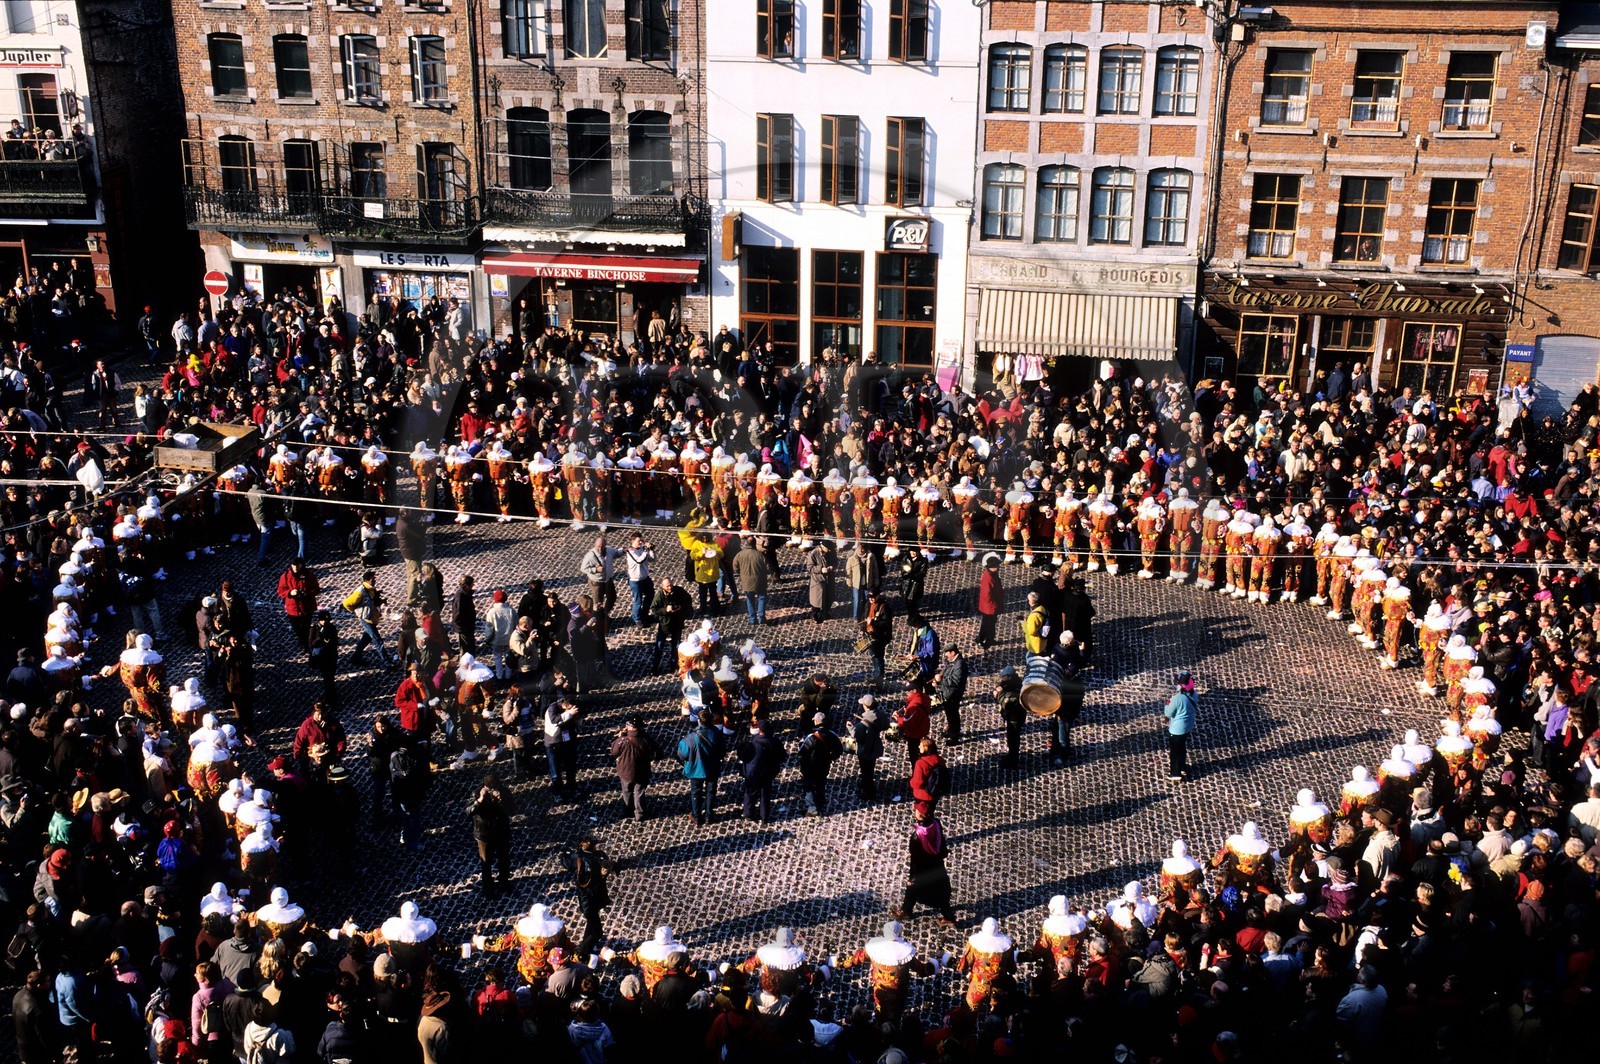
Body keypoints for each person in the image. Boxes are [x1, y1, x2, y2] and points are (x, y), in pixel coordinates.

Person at [894, 806, 955, 925]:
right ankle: (906, 910)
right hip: (937, 865)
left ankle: (907, 911)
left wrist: (912, 878)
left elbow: (915, 860)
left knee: (914, 888)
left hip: (923, 871)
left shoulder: (916, 837)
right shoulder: (936, 823)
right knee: (940, 893)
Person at [562, 837, 611, 957]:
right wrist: (603, 877)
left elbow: (565, 860)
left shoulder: (575, 858)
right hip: (590, 902)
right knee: (597, 932)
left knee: (591, 925)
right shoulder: (592, 865)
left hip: (584, 900)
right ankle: (582, 953)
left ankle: (585, 946)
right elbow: (593, 888)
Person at [677, 709, 726, 826]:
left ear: (699, 721)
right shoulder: (717, 734)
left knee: (696, 792)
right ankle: (709, 816)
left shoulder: (690, 738)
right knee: (711, 792)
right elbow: (722, 751)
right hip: (713, 767)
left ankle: (697, 816)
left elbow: (681, 754)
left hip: (696, 769)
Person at [736, 717, 785, 823]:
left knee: (750, 792)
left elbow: (744, 757)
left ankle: (748, 813)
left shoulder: (753, 743)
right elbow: (782, 756)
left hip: (753, 773)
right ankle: (764, 816)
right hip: (768, 773)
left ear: (759, 730)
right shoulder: (776, 742)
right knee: (765, 794)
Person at [472, 773, 513, 898]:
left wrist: (502, 800)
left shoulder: (504, 792)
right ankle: (488, 889)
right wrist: (479, 800)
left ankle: (504, 882)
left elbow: (512, 809)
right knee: (486, 863)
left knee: (504, 860)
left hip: (501, 832)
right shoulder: (476, 793)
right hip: (484, 835)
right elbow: (469, 811)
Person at [797, 712, 843, 816]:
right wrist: (831, 758)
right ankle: (820, 803)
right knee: (821, 784)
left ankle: (812, 809)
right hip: (824, 765)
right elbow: (839, 750)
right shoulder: (832, 735)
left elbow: (802, 751)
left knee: (809, 786)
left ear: (816, 721)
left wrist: (800, 742)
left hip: (810, 766)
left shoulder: (811, 737)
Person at [648, 576, 693, 675]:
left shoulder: (679, 591)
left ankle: (674, 666)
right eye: (668, 586)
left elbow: (688, 600)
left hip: (677, 623)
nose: (670, 588)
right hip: (665, 625)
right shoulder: (660, 596)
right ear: (663, 587)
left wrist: (681, 607)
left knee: (676, 647)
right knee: (659, 647)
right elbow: (654, 609)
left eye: (671, 585)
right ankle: (655, 668)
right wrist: (666, 610)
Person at [275, 558, 319, 652]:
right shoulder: (286, 576)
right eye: (293, 565)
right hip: (293, 608)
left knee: (306, 627)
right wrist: (290, 593)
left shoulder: (308, 575)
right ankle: (304, 642)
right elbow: (280, 590)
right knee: (297, 629)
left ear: (301, 565)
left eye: (297, 565)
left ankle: (306, 645)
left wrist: (307, 593)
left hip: (306, 607)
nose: (295, 567)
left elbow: (316, 589)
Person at [1162, 669, 1198, 781]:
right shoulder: (1194, 695)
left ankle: (1175, 773)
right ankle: (1183, 767)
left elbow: (1168, 713)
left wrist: (1167, 704)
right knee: (1182, 747)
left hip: (1177, 729)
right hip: (1188, 726)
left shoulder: (1177, 699)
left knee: (1175, 751)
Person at [543, 693, 580, 800]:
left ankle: (571, 787)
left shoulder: (569, 709)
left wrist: (576, 717)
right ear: (564, 705)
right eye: (569, 708)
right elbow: (554, 719)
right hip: (553, 743)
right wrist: (569, 713)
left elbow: (576, 724)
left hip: (567, 741)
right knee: (555, 770)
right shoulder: (552, 708)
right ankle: (557, 792)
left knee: (570, 767)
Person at [848, 695, 886, 800]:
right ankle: (867, 784)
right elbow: (885, 725)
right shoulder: (880, 714)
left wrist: (850, 727)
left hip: (865, 749)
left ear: (866, 706)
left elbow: (857, 736)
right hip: (875, 745)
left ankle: (868, 791)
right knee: (871, 767)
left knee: (866, 771)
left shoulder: (862, 724)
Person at [932, 644, 967, 742]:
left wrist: (941, 680)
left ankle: (954, 737)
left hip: (953, 694)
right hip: (948, 693)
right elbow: (945, 673)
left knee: (953, 715)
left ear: (952, 652)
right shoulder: (953, 662)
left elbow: (955, 681)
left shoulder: (959, 664)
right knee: (949, 714)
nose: (946, 655)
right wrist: (938, 681)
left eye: (947, 653)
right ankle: (951, 730)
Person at [732, 536, 770, 626]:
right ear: (754, 544)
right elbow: (768, 568)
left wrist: (739, 572)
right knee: (762, 597)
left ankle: (752, 618)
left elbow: (735, 567)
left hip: (746, 582)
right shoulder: (760, 554)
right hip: (760, 580)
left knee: (750, 600)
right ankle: (761, 617)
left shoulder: (740, 554)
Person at [995, 664, 1025, 769]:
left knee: (1013, 740)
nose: (1002, 679)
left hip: (1015, 718)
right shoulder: (1010, 683)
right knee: (1011, 739)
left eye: (1004, 677)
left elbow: (1006, 703)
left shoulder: (1016, 687)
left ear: (1010, 677)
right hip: (1011, 717)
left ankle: (1013, 762)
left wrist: (998, 694)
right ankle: (1011, 757)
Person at [909, 738, 948, 818]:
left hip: (922, 795)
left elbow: (918, 783)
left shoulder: (920, 763)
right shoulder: (939, 759)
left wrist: (911, 782)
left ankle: (925, 829)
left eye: (920, 746)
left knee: (920, 816)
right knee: (930, 813)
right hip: (934, 793)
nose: (918, 747)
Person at [624, 534, 655, 627]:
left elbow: (652, 559)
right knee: (638, 601)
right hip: (635, 580)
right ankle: (637, 619)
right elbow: (639, 561)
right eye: (639, 541)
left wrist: (651, 551)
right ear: (632, 541)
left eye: (642, 540)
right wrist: (646, 550)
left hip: (645, 578)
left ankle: (644, 614)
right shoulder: (630, 551)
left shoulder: (642, 549)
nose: (641, 542)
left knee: (650, 595)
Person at [863, 591, 894, 686]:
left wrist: (872, 623)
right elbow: (865, 616)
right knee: (874, 656)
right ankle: (877, 674)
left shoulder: (884, 608)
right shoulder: (869, 604)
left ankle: (879, 680)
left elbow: (886, 624)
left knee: (878, 658)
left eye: (873, 597)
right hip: (870, 634)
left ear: (878, 596)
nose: (871, 599)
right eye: (870, 597)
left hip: (879, 636)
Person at [976, 553, 1005, 648]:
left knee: (987, 624)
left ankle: (982, 639)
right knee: (989, 625)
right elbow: (987, 595)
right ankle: (987, 642)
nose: (998, 567)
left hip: (989, 606)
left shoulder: (991, 574)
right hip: (990, 607)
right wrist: (995, 605)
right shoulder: (989, 577)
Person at [806, 541, 835, 623]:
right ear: (822, 547)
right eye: (828, 549)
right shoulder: (813, 554)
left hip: (828, 579)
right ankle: (814, 615)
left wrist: (832, 567)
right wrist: (821, 569)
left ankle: (825, 613)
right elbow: (810, 568)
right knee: (817, 601)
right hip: (818, 581)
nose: (829, 551)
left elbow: (835, 560)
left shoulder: (830, 552)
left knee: (828, 598)